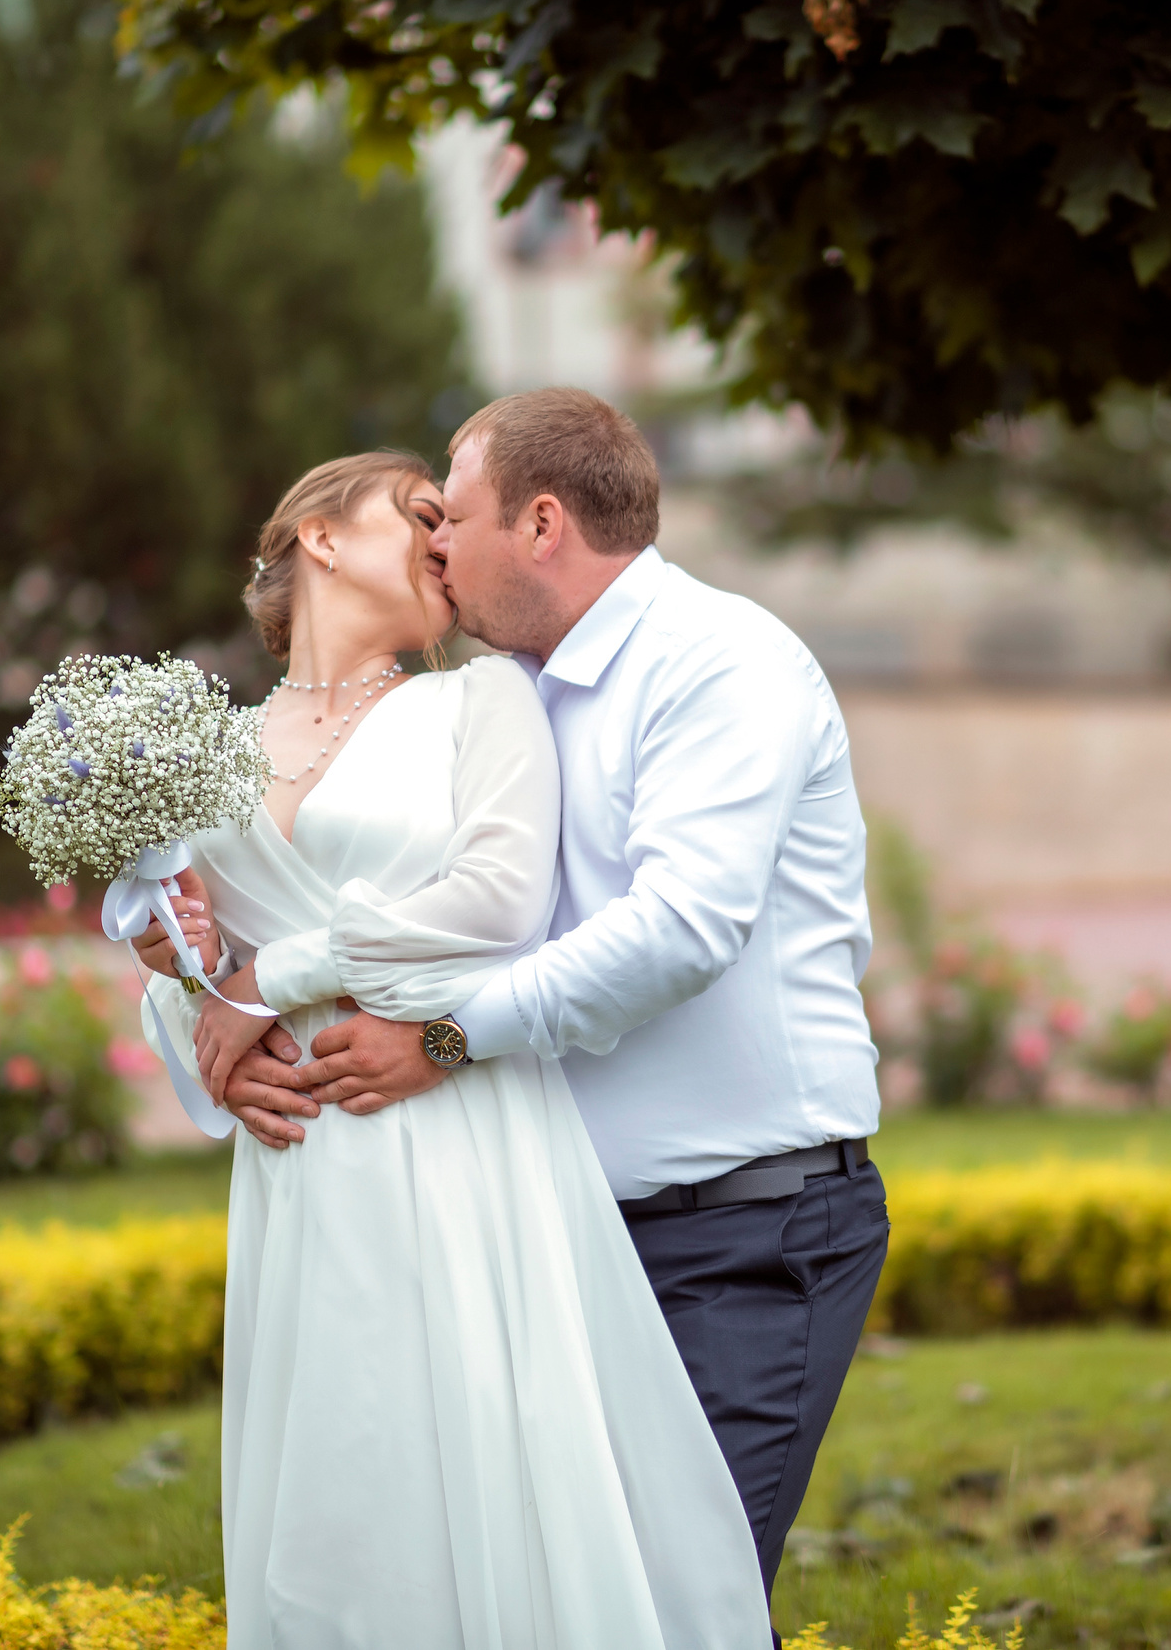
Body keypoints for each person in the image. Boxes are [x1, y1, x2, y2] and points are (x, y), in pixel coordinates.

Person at [220, 388, 892, 1599]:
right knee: (548, 1598)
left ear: (538, 526)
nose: (433, 548)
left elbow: (682, 929)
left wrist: (443, 1036)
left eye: (451, 519)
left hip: (739, 1222)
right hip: (547, 1226)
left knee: (679, 1603)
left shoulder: (719, 661)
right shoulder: (504, 692)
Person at [131, 449, 770, 1650]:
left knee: (468, 1454)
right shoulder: (203, 747)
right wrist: (196, 1001)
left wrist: (278, 974)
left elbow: (498, 901)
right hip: (300, 1163)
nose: (439, 545)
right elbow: (189, 965)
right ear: (319, 535)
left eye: (450, 526)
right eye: (419, 517)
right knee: (334, 1479)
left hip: (454, 1124)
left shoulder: (481, 699)